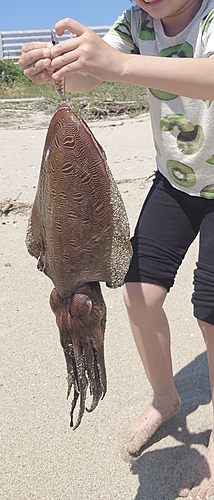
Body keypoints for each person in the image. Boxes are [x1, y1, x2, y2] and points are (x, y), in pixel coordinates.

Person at [19, 1, 214, 498]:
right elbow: (92, 75)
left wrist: (120, 64)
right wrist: (57, 70)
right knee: (139, 295)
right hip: (176, 182)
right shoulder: (137, 21)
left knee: (211, 315)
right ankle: (164, 398)